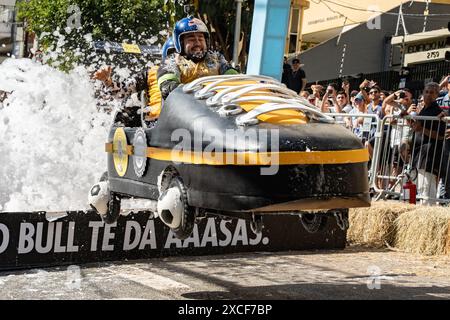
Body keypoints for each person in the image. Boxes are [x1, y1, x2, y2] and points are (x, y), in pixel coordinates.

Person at [157, 16, 238, 100]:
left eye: (201, 38)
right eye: (191, 39)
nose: (198, 43)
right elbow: (167, 86)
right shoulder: (172, 61)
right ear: (180, 43)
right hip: (187, 108)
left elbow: (234, 78)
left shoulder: (217, 58)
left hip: (217, 105)